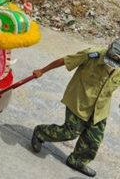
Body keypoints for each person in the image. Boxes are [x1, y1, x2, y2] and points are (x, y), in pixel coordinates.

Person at [31, 40, 120, 178]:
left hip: (100, 109)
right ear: (109, 48)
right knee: (70, 133)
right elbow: (65, 61)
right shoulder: (92, 55)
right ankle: (40, 132)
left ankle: (77, 161)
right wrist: (42, 71)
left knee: (94, 140)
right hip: (79, 101)